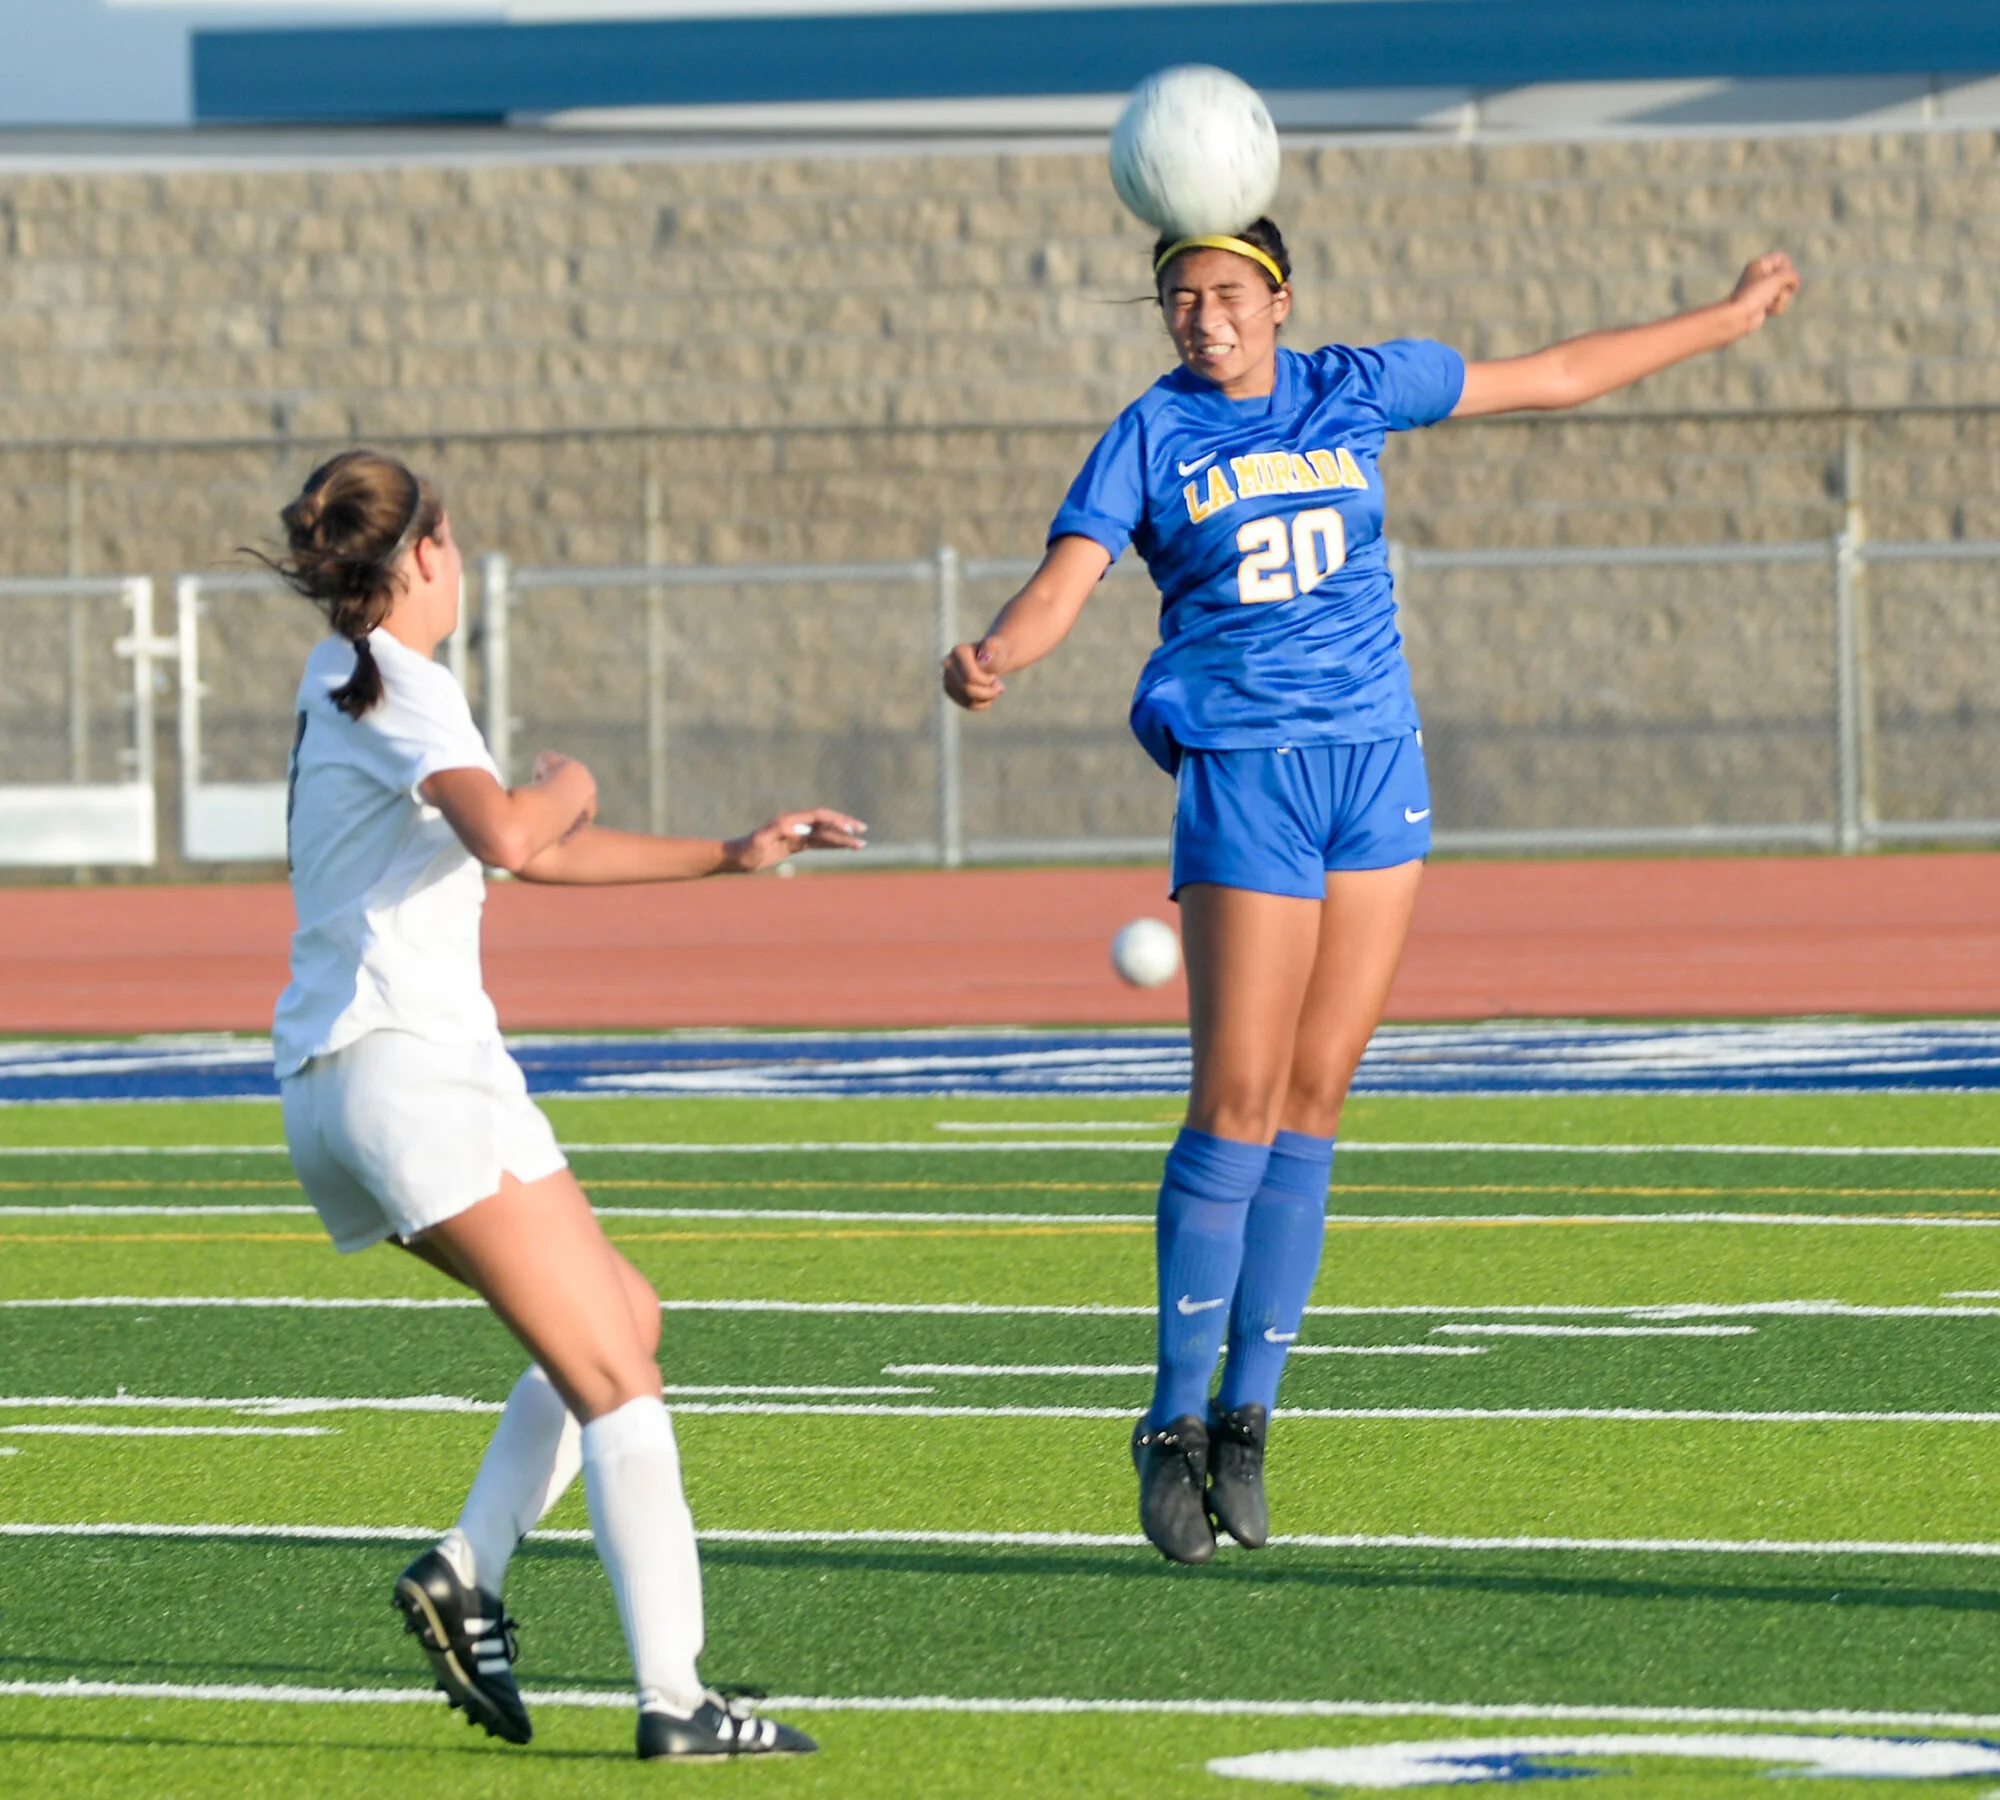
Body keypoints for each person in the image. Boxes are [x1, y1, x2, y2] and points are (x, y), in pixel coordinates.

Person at [944, 221, 1799, 1564]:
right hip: (1247, 770)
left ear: (1279, 300)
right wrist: (997, 653)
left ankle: (1248, 1418)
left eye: (1226, 295)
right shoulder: (1151, 432)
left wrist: (1725, 319)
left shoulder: (1356, 383)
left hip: (1375, 766)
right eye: (1180, 299)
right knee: (1234, 1098)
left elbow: (1557, 374)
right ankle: (1169, 1420)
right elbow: (1072, 577)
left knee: (1317, 1099)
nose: (1201, 320)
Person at [268, 449, 865, 1755]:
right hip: (412, 1074)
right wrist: (574, 777)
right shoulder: (406, 690)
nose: (464, 562)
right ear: (423, 556)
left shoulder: (347, 677)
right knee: (615, 1377)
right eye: (458, 541)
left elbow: (527, 855)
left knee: (624, 1318)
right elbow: (517, 835)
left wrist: (729, 853)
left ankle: (468, 1572)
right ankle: (679, 1700)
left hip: (344, 1084)